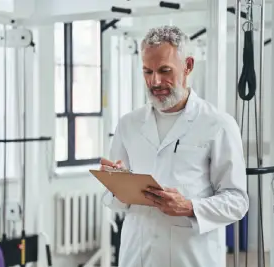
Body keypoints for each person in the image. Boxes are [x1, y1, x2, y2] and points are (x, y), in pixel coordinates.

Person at [100, 26, 249, 267]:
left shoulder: (218, 124)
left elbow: (237, 201)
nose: (154, 81)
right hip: (137, 254)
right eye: (147, 71)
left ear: (188, 66)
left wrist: (190, 207)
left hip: (191, 256)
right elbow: (114, 200)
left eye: (164, 70)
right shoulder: (129, 124)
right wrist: (117, 186)